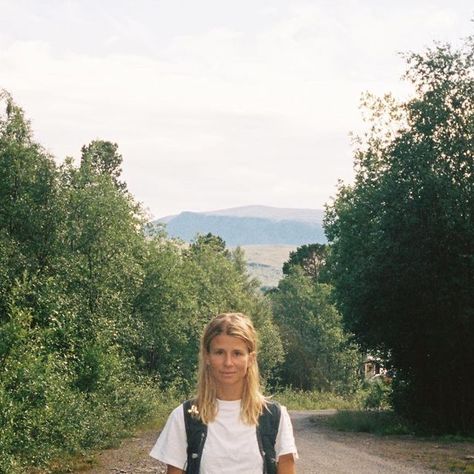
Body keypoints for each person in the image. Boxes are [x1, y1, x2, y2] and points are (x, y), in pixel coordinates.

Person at [150, 312, 298, 473]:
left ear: (251, 359)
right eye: (219, 352)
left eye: (237, 353)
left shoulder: (274, 416)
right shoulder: (185, 417)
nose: (228, 363)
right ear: (207, 356)